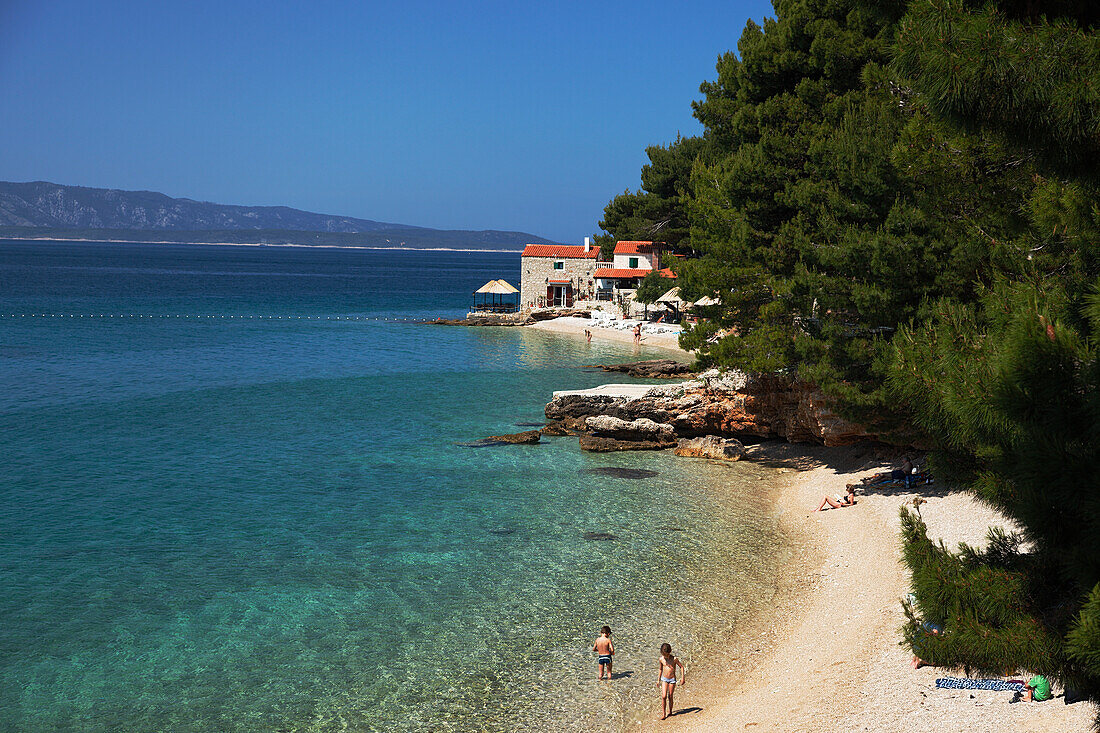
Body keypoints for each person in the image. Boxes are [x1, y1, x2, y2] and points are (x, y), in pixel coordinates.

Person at [657, 643, 686, 720]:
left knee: (670, 696)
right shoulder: (661, 659)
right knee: (663, 696)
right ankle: (663, 713)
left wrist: (683, 678)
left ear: (669, 652)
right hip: (664, 679)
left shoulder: (674, 659)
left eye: (666, 654)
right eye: (664, 654)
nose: (665, 656)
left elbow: (681, 667)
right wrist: (658, 680)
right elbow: (660, 669)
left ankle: (670, 711)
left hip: (672, 679)